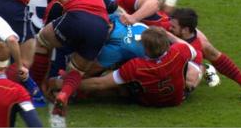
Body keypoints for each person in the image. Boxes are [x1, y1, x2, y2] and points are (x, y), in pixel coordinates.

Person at [50, 27, 201, 107]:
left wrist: (63, 84)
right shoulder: (179, 51)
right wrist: (166, 35)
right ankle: (202, 75)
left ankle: (75, 94)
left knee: (114, 85)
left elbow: (99, 84)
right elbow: (193, 51)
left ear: (146, 49)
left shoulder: (137, 66)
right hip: (176, 99)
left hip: (149, 101)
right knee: (195, 70)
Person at [31, 0, 115, 117]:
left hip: (76, 19)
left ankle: (35, 88)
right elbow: (113, 6)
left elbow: (49, 28)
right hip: (100, 28)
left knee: (42, 42)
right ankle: (64, 94)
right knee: (78, 69)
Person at [170, 8, 241, 101]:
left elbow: (190, 83)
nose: (169, 28)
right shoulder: (170, 28)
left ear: (185, 30)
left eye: (173, 27)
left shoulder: (196, 50)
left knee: (189, 81)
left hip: (185, 75)